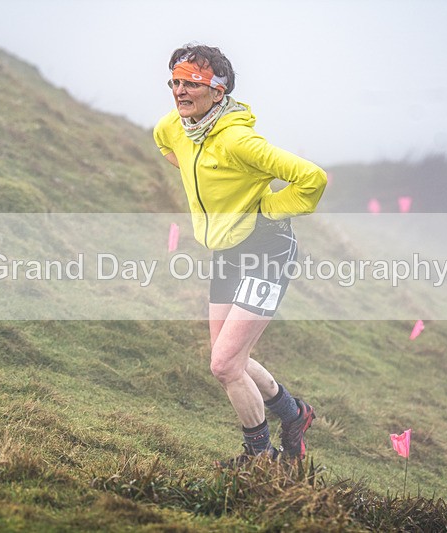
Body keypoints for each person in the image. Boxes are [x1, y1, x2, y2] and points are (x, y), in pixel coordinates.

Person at [153, 43, 327, 465]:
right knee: (231, 359)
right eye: (175, 81)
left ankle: (260, 457)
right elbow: (165, 145)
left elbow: (312, 178)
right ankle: (294, 414)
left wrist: (267, 208)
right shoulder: (176, 127)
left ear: (218, 90)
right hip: (228, 252)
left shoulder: (239, 141)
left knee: (225, 365)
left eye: (191, 83)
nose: (180, 90)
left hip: (267, 250)